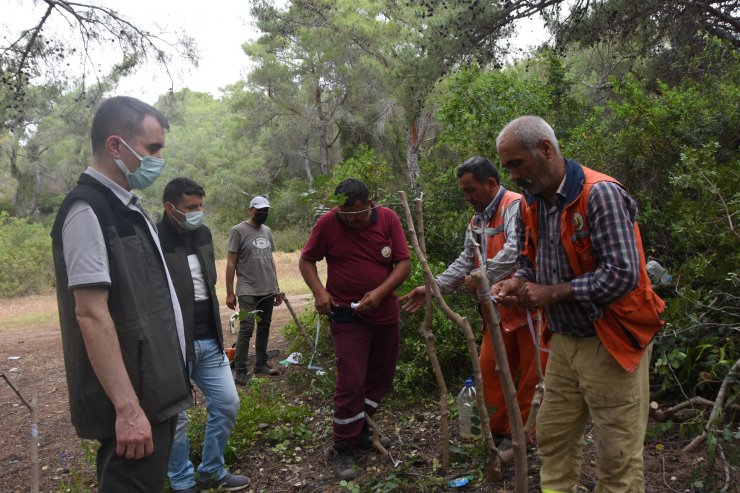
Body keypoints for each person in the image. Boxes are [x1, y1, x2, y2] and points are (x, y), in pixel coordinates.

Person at [491, 116, 665, 492]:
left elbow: (623, 274)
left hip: (612, 343)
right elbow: (528, 258)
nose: (513, 176)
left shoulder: (599, 194)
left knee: (617, 454)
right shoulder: (529, 204)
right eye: (507, 168)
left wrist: (552, 293)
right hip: (565, 343)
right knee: (553, 438)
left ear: (545, 149)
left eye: (516, 164)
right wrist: (518, 280)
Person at [50, 96, 192, 492]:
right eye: (152, 149)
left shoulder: (126, 205)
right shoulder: (86, 211)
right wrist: (128, 409)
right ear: (116, 146)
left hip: (155, 389)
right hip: (134, 400)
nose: (159, 158)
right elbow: (90, 314)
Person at [400, 156, 546, 450]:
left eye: (471, 191)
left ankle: (524, 438)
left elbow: (515, 250)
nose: (467, 198)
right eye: (464, 192)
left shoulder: (515, 206)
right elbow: (465, 260)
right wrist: (432, 288)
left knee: (533, 377)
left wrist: (481, 276)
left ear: (491, 184)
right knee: (491, 371)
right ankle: (498, 433)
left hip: (529, 310)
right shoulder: (477, 219)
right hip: (496, 313)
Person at [299, 179, 411, 480]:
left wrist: (380, 293)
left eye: (359, 215)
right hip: (347, 316)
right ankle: (344, 446)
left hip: (384, 313)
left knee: (381, 375)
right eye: (346, 216)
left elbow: (403, 263)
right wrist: (319, 293)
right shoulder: (328, 223)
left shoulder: (387, 218)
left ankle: (361, 429)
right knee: (352, 379)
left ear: (369, 201)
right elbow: (307, 260)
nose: (354, 221)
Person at [157, 178, 249, 492]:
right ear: (171, 208)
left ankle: (211, 470)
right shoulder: (153, 238)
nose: (198, 213)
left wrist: (218, 334)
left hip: (208, 339)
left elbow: (205, 288)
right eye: (191, 208)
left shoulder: (203, 234)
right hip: (172, 344)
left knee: (227, 402)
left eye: (200, 206)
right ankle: (182, 482)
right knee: (177, 418)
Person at [226, 195, 283, 385]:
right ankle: (240, 371)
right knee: (247, 328)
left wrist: (276, 288)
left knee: (264, 326)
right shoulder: (238, 231)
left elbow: (270, 261)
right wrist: (229, 292)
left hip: (267, 287)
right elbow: (231, 263)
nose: (263, 214)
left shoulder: (267, 231)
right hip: (247, 289)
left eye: (266, 210)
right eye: (259, 210)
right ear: (250, 210)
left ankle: (261, 363)